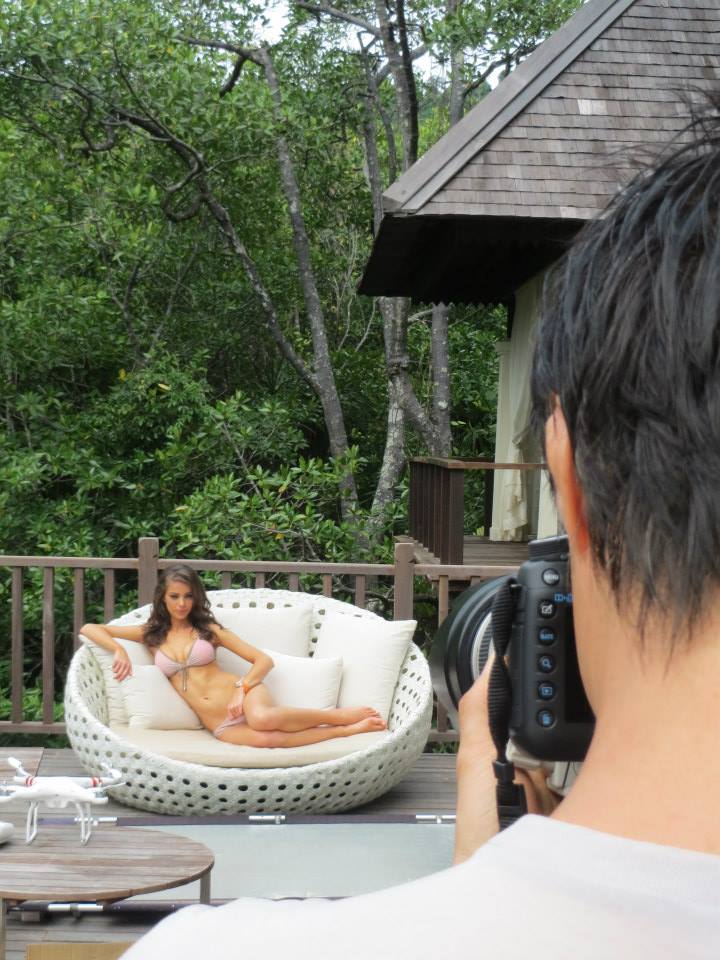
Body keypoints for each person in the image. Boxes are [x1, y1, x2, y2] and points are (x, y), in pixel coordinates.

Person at [122, 106, 720, 959]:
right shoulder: (161, 632)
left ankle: (350, 720)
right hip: (242, 726)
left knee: (274, 723)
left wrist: (492, 776)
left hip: (254, 725)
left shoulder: (209, 954)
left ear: (572, 482)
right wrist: (480, 769)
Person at [82, 564, 385, 745]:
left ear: (196, 598)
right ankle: (346, 731)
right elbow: (90, 628)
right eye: (174, 596)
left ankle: (336, 717)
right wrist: (118, 649)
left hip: (242, 695)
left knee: (263, 719)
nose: (182, 603)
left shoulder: (209, 630)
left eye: (188, 596)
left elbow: (263, 660)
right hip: (218, 722)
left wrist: (243, 688)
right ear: (163, 597)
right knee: (269, 741)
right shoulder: (151, 634)